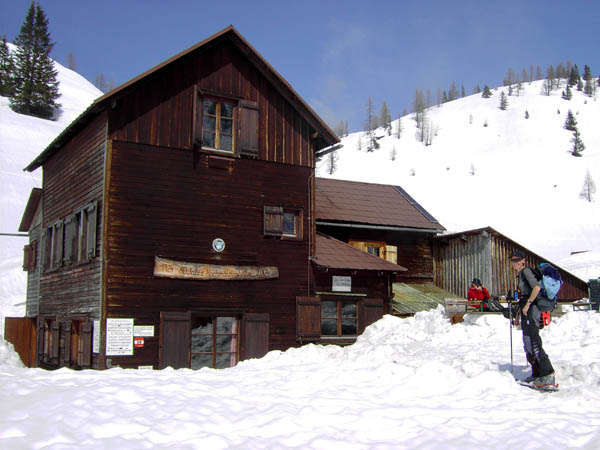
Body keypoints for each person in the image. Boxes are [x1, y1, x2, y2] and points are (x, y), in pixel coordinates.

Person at [509, 250, 555, 386]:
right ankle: (536, 373)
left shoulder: (526, 272)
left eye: (517, 260)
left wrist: (528, 304)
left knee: (533, 340)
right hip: (525, 309)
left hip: (532, 308)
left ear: (523, 260)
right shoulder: (520, 275)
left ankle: (548, 374)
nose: (515, 263)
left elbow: (536, 288)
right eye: (513, 260)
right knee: (527, 341)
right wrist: (518, 314)